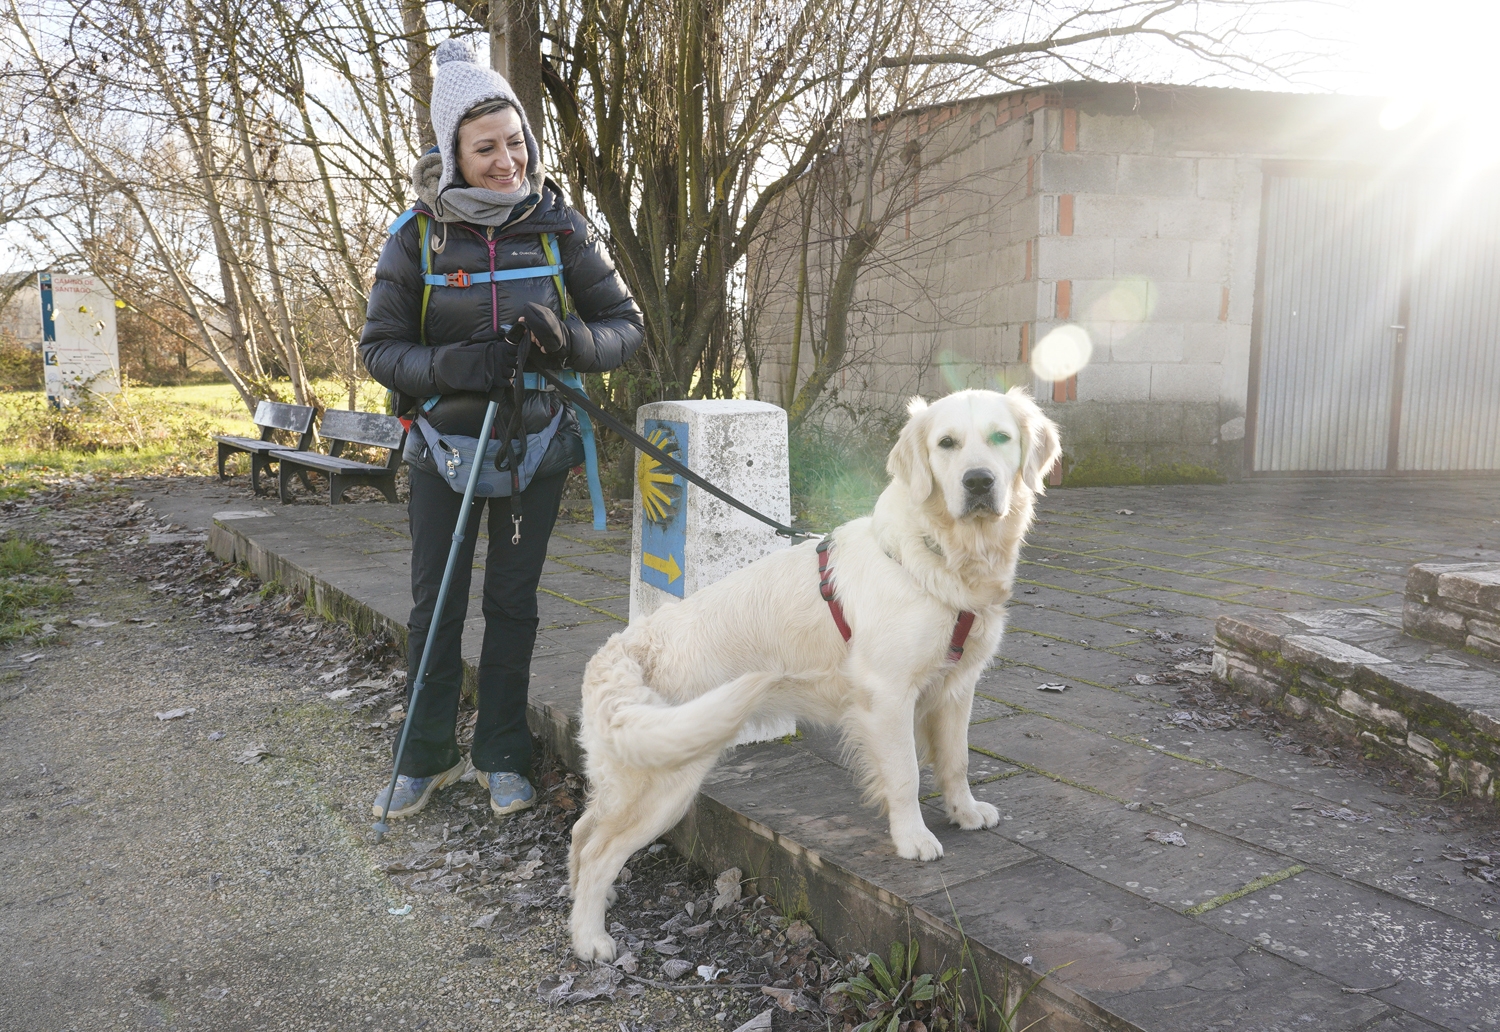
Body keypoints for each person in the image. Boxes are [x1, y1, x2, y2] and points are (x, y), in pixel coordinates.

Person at [360, 38, 643, 820]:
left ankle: (504, 754)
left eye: (515, 141)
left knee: (514, 607)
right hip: (442, 451)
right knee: (436, 606)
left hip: (535, 451)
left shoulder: (558, 229)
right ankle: (424, 760)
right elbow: (380, 349)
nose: (507, 160)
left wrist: (569, 342)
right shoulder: (417, 237)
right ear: (452, 151)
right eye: (486, 148)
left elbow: (625, 327)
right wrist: (456, 366)